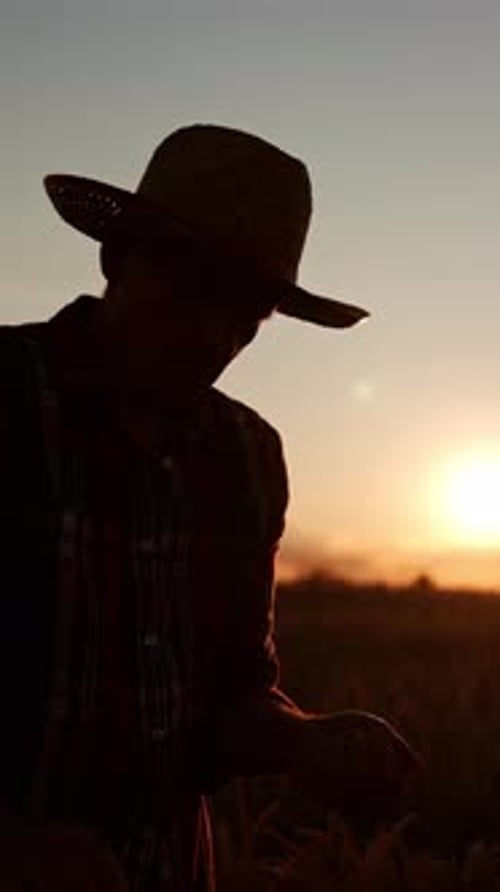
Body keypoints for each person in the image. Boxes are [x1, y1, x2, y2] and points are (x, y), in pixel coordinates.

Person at [0, 124, 422, 891]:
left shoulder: (246, 456)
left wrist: (306, 740)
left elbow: (230, 697)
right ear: (116, 260)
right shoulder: (2, 398)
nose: (215, 333)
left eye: (247, 310)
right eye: (191, 288)